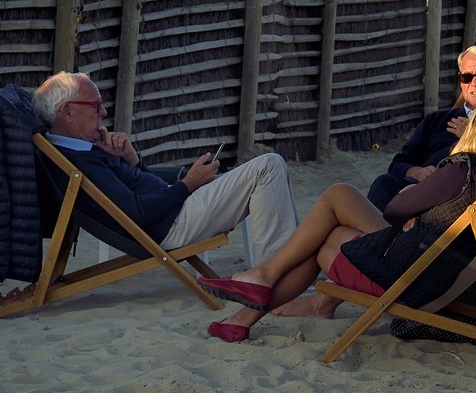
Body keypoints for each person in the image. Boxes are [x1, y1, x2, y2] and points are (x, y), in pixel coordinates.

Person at [198, 101, 476, 342]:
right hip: (437, 265)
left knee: (336, 198)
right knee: (331, 220)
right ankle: (248, 308)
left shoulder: (466, 166)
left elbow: (397, 206)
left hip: (414, 275)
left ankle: (260, 281)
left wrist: (418, 204)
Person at [34, 72, 299, 257]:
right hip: (172, 225)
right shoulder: (78, 162)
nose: (103, 113)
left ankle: (283, 265)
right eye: (96, 105)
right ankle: (275, 272)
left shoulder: (80, 150)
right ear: (67, 112)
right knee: (268, 166)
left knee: (268, 171)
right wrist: (187, 184)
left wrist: (132, 161)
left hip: (174, 212)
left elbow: (136, 190)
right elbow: (137, 214)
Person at [366, 45, 476, 209]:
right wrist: (417, 172)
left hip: (456, 199)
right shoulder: (437, 119)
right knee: (383, 183)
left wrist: (472, 136)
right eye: (467, 77)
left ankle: (372, 233)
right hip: (414, 190)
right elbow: (398, 164)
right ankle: (370, 233)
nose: (474, 83)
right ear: (461, 82)